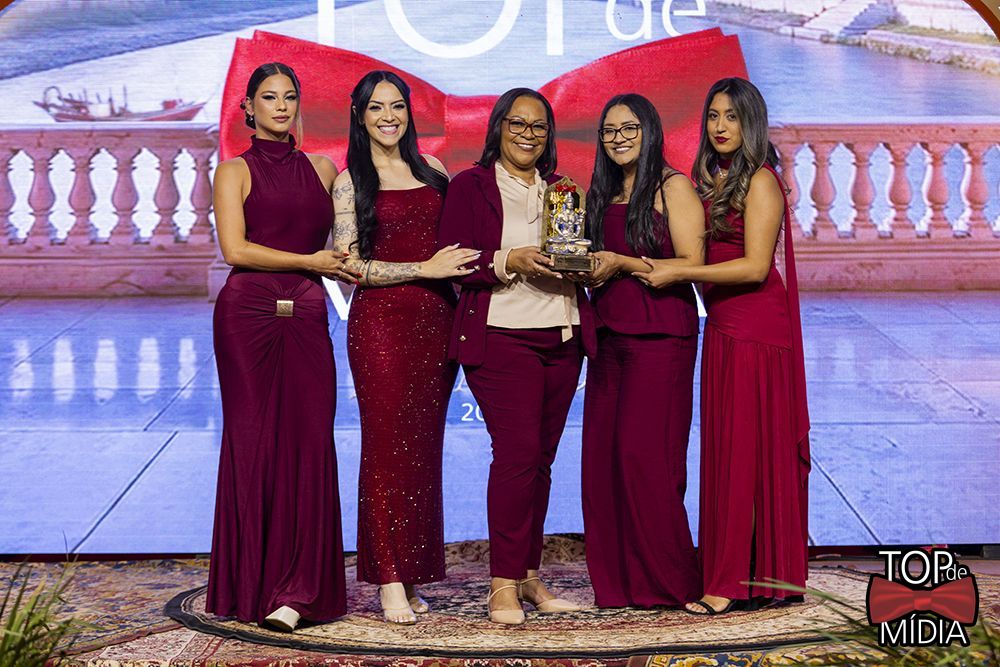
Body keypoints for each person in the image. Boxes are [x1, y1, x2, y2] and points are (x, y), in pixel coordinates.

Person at [636, 77, 810, 615]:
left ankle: (731, 582)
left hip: (758, 330)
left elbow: (755, 267)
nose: (719, 126)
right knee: (731, 452)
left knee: (746, 454)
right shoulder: (716, 179)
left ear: (751, 122)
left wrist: (679, 271)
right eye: (713, 115)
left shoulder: (761, 181)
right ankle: (744, 572)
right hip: (725, 326)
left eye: (731, 116)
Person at [439, 88, 597, 625]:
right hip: (502, 334)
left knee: (541, 460)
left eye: (538, 126)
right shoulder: (472, 185)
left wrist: (584, 266)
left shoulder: (563, 190)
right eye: (517, 124)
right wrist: (512, 259)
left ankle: (529, 575)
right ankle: (502, 584)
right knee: (516, 455)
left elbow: (574, 254)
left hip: (563, 336)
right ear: (498, 129)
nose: (528, 134)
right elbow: (454, 259)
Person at [207, 62, 353, 631]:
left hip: (308, 310)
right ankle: (252, 586)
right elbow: (235, 250)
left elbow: (347, 240)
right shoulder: (232, 171)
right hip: (247, 315)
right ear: (248, 107)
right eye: (269, 97)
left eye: (290, 96)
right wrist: (309, 261)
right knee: (253, 443)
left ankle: (303, 590)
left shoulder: (322, 168)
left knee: (310, 441)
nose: (282, 106)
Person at [332, 70, 477, 625]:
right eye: (376, 107)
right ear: (359, 115)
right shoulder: (350, 182)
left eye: (396, 106)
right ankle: (388, 578)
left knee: (421, 451)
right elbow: (349, 267)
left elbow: (458, 248)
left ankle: (412, 572)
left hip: (438, 323)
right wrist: (423, 269)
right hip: (382, 328)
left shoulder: (433, 170)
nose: (388, 116)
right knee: (386, 449)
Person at [581, 93, 705, 608]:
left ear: (650, 130)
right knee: (603, 462)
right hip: (608, 337)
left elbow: (692, 262)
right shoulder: (602, 191)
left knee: (647, 460)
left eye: (629, 128)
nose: (619, 139)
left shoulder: (673, 186)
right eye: (610, 131)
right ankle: (619, 585)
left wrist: (622, 263)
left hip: (661, 337)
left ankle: (669, 583)